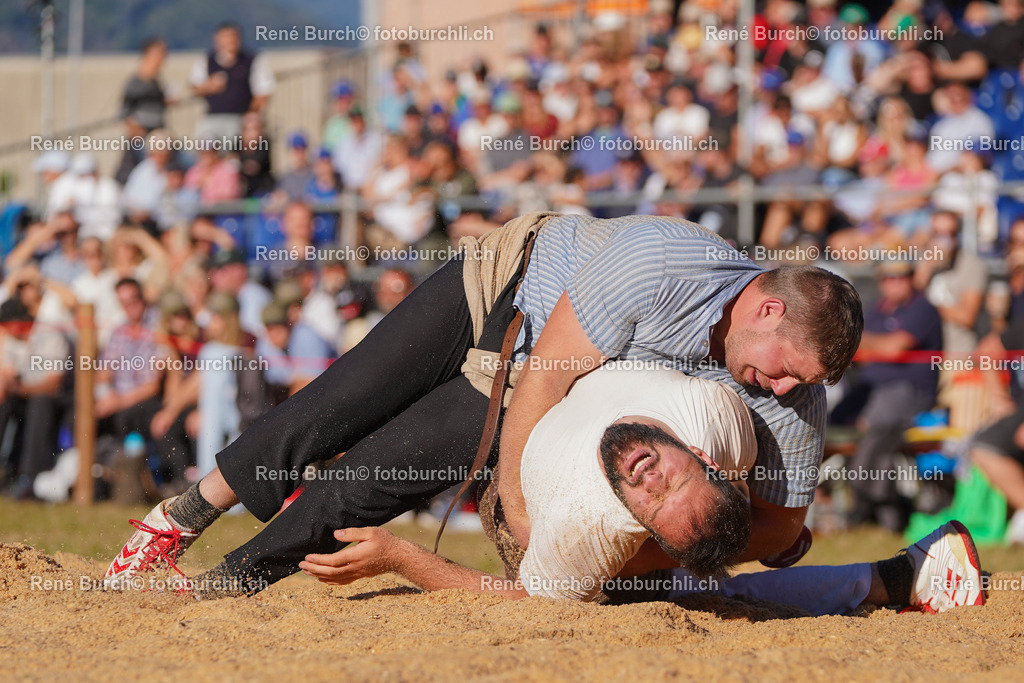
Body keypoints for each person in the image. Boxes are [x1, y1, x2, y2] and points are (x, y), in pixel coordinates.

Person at [104, 213, 863, 591]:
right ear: (766, 308)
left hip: (538, 379)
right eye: (785, 370)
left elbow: (782, 528)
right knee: (344, 398)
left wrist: (666, 546)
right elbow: (544, 377)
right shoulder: (661, 262)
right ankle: (181, 515)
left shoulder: (791, 395)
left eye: (801, 384)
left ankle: (227, 582)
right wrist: (520, 514)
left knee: (368, 482)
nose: (783, 389)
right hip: (506, 287)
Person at [842, 260, 942, 531]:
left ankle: (870, 505)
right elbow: (856, 351)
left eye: (901, 277)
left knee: (878, 424)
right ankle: (860, 503)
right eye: (888, 277)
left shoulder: (923, 308)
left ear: (911, 278)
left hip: (910, 391)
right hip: (870, 390)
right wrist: (872, 344)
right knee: (829, 419)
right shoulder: (876, 310)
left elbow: (895, 348)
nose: (895, 283)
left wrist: (861, 340)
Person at [189, 22, 275, 140]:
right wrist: (209, 86)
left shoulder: (252, 59)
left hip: (241, 118)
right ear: (217, 40)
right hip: (212, 117)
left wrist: (252, 114)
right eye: (226, 37)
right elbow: (194, 86)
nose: (230, 41)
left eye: (233, 37)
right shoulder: (206, 60)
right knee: (204, 142)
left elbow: (263, 91)